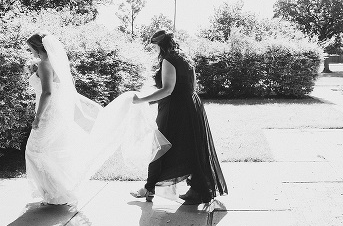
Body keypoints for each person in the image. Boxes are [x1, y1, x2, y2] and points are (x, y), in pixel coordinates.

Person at [25, 32, 170, 205]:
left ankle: (54, 192)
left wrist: (38, 117)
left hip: (48, 114)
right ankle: (56, 193)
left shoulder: (44, 65)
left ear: (36, 48)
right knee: (51, 152)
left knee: (34, 152)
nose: (30, 51)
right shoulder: (55, 64)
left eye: (30, 48)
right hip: (58, 113)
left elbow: (47, 93)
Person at [131, 30, 227, 205]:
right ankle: (197, 190)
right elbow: (192, 86)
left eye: (155, 47)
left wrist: (141, 100)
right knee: (190, 147)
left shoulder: (168, 60)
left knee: (160, 146)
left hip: (174, 109)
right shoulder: (186, 59)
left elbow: (168, 90)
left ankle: (149, 188)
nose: (155, 50)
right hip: (191, 107)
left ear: (160, 45)